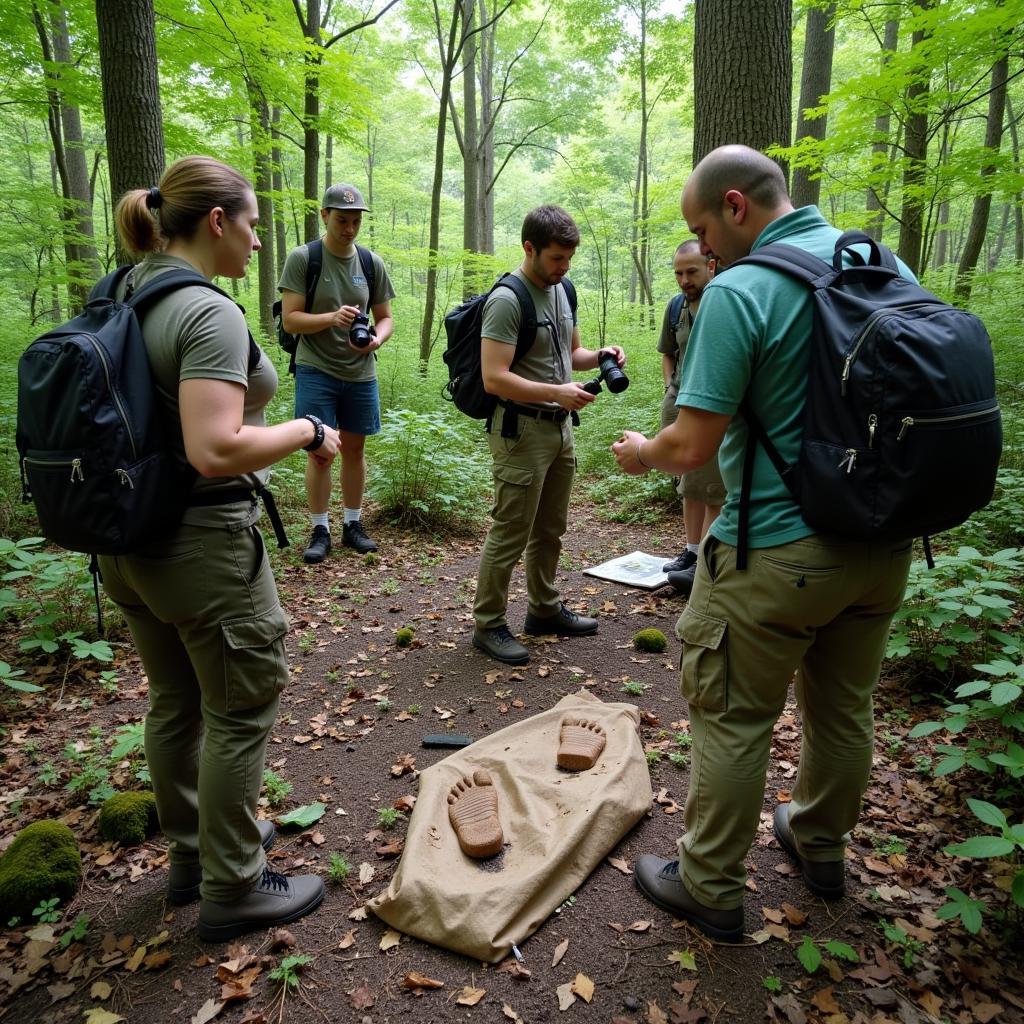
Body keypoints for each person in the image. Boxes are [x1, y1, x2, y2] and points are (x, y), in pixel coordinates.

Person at [611, 145, 914, 943]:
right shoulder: (883, 264)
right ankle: (820, 846)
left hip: (777, 549)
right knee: (844, 709)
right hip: (884, 545)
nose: (700, 249)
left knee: (732, 718)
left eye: (702, 228)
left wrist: (643, 448)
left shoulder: (741, 290)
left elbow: (689, 449)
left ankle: (709, 886)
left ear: (736, 206)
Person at [99, 156, 338, 942]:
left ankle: (194, 857)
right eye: (253, 224)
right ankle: (234, 886)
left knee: (175, 701)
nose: (260, 242)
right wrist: (305, 430)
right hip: (199, 546)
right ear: (216, 222)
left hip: (127, 545)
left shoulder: (122, 291)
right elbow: (214, 447)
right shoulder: (205, 313)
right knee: (239, 708)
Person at [472, 204, 626, 666]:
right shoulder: (506, 300)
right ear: (529, 248)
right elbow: (493, 377)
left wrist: (599, 354)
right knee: (511, 531)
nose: (564, 267)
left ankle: (542, 609)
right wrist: (557, 393)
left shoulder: (564, 291)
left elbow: (570, 352)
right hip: (520, 431)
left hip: (560, 430)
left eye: (568, 259)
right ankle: (489, 624)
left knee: (550, 529)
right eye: (556, 258)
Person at [278, 183, 395, 562]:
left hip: (360, 371)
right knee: (319, 451)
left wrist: (376, 340)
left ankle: (352, 524)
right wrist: (332, 317)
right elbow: (291, 320)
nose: (349, 228)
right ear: (325, 215)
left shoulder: (370, 262)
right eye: (342, 220)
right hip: (316, 369)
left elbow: (386, 319)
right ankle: (319, 527)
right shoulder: (304, 258)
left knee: (355, 449)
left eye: (356, 220)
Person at [657, 241, 724, 595]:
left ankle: (707, 561)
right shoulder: (676, 308)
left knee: (713, 483)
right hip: (679, 402)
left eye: (691, 272)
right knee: (688, 482)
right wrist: (671, 387)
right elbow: (669, 352)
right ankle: (691, 550)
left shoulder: (725, 302)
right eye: (679, 273)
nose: (684, 280)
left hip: (711, 407)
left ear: (711, 266)